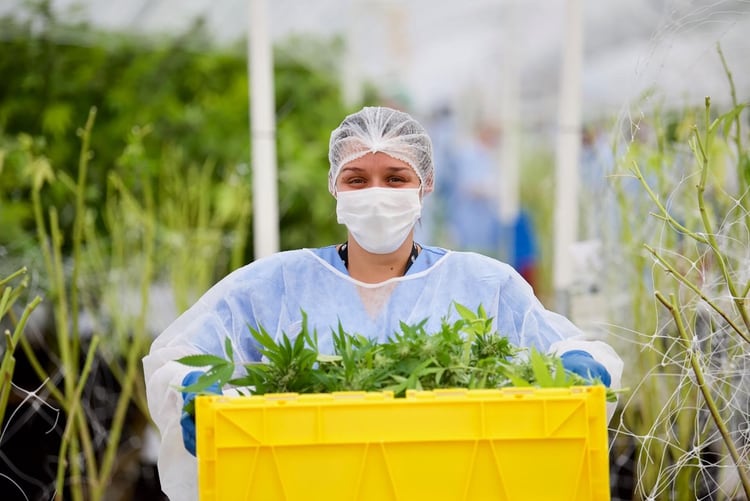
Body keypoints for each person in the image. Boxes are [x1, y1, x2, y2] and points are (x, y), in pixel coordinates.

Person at [142, 106, 623, 501]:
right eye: (357, 179)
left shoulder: (482, 282)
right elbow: (176, 357)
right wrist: (192, 389)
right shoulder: (276, 282)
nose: (376, 194)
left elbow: (563, 350)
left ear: (425, 185)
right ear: (334, 186)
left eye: (395, 178)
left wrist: (580, 366)